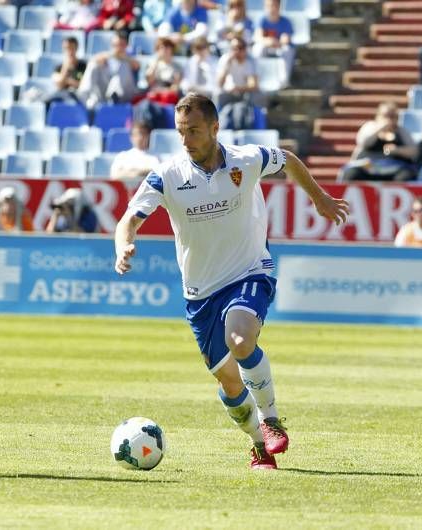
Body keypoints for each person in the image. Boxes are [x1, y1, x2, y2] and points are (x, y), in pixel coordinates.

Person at [114, 92, 349, 469]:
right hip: (200, 293)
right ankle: (258, 444)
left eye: (193, 131)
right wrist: (123, 246)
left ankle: (271, 419)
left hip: (249, 271)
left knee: (240, 338)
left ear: (214, 128)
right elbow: (129, 220)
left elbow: (287, 160)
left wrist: (319, 197)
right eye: (180, 132)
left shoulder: (246, 159)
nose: (186, 140)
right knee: (230, 384)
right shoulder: (169, 174)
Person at [341, 102, 417, 181]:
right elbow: (363, 142)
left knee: (405, 175)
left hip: (394, 169)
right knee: (351, 173)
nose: (389, 119)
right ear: (378, 116)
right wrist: (380, 129)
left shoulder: (401, 131)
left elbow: (414, 152)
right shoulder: (370, 126)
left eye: (392, 116)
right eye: (386, 115)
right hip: (368, 168)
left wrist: (397, 150)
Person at [77, 31, 139, 110]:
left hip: (124, 95)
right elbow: (92, 60)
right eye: (115, 45)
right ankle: (84, 96)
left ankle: (114, 99)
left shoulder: (130, 56)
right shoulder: (106, 56)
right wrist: (109, 56)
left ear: (126, 46)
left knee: (123, 66)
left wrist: (122, 57)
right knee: (94, 65)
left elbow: (136, 66)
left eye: (121, 45)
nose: (118, 48)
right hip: (104, 92)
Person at [252, 0, 294, 88]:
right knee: (257, 49)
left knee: (287, 50)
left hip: (280, 48)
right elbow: (257, 37)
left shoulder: (286, 21)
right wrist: (269, 42)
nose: (272, 8)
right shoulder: (262, 20)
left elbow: (285, 39)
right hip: (266, 47)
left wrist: (275, 42)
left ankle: (283, 81)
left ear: (279, 6)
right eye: (269, 6)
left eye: (274, 5)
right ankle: (257, 78)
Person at [143, 37, 182, 105]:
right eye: (161, 48)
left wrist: (162, 91)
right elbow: (149, 81)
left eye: (167, 47)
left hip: (168, 95)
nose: (164, 50)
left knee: (166, 98)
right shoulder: (152, 64)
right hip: (154, 94)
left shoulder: (177, 66)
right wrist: (156, 62)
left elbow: (175, 88)